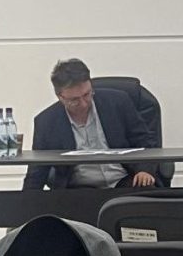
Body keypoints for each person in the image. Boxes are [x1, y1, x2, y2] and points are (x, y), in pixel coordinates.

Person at [23, 58, 158, 190]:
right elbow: (37, 171)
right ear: (60, 97)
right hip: (79, 190)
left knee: (146, 195)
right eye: (74, 100)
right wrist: (26, 201)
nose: (83, 103)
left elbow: (144, 140)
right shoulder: (46, 122)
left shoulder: (118, 102)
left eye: (87, 94)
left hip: (124, 180)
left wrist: (144, 170)